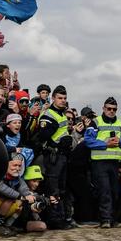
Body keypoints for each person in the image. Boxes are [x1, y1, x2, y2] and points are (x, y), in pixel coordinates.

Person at [34, 85, 75, 228]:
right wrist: (58, 143)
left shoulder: (61, 114)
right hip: (53, 156)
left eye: (64, 98)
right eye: (60, 98)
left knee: (61, 188)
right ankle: (54, 220)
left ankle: (61, 217)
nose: (63, 100)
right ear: (53, 98)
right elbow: (43, 136)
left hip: (62, 155)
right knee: (53, 189)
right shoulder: (49, 115)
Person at [84, 97, 121, 228]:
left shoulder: (120, 124)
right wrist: (105, 144)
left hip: (115, 163)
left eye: (114, 109)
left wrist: (119, 142)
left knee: (115, 191)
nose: (111, 111)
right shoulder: (95, 122)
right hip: (100, 163)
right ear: (103, 108)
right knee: (104, 191)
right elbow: (88, 140)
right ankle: (105, 220)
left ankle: (112, 219)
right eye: (109, 108)